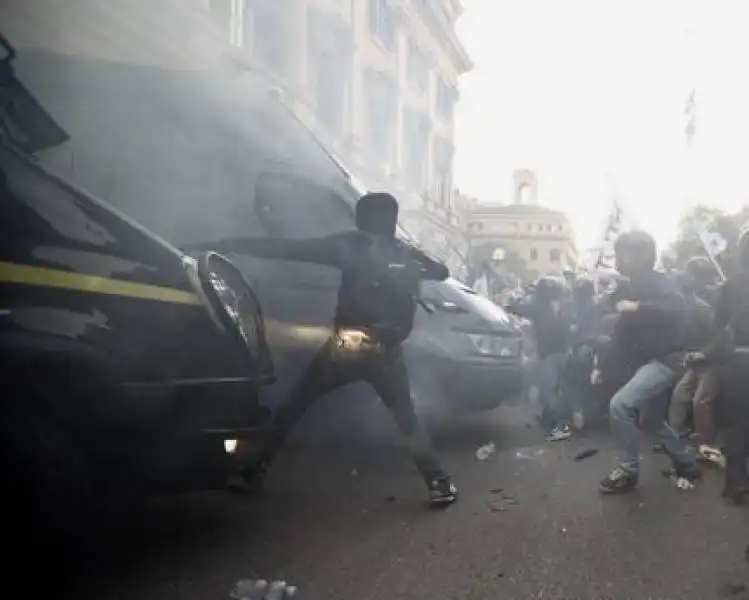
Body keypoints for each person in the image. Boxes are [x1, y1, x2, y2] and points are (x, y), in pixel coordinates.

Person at [200, 192, 458, 507]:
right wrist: (409, 257)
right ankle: (437, 484)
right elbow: (442, 271)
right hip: (386, 351)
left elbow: (288, 250)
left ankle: (251, 471)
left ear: (361, 218)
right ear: (392, 220)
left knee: (294, 406)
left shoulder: (348, 245)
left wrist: (229, 243)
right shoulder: (404, 254)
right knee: (407, 420)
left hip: (344, 346)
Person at [596, 230, 700, 494]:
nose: (619, 259)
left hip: (668, 359)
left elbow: (677, 308)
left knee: (620, 405)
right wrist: (600, 366)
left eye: (625, 254)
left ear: (640, 255)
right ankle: (687, 463)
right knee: (652, 420)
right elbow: (620, 334)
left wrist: (639, 307)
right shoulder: (631, 287)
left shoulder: (659, 282)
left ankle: (628, 471)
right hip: (653, 360)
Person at [706, 227, 749, 504]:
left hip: (740, 360)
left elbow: (717, 328)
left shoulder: (731, 286)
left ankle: (736, 484)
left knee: (736, 424)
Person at [666, 271, 722, 466]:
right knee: (679, 396)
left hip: (713, 363)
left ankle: (705, 445)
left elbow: (722, 336)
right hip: (694, 363)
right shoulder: (680, 310)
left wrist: (703, 352)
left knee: (701, 401)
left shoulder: (701, 309)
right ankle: (672, 440)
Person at [509, 276, 573, 441]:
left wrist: (512, 297)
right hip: (562, 352)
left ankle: (560, 426)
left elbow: (517, 307)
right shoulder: (561, 305)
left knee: (548, 391)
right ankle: (548, 420)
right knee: (553, 388)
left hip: (549, 352)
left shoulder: (540, 304)